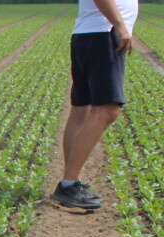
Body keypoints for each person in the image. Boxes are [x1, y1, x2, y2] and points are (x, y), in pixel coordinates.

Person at [51, 0, 138, 210]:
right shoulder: (109, 27)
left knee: (82, 109)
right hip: (103, 34)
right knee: (108, 110)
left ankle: (72, 182)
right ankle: (68, 184)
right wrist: (118, 24)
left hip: (89, 33)